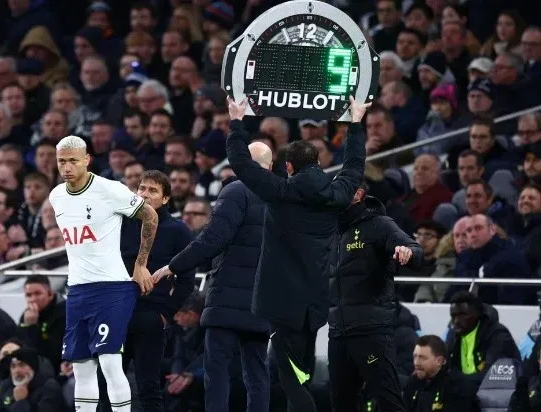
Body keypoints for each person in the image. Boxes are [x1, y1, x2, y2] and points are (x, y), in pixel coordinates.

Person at [225, 96, 371, 412]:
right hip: (316, 303)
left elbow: (239, 161)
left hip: (282, 305)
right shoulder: (337, 193)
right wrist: (355, 123)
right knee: (302, 376)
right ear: (318, 163)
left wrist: (237, 121)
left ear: (288, 167)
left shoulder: (280, 191)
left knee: (293, 384)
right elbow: (354, 164)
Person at [153, 142, 273, 412]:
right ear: (271, 167)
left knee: (216, 371)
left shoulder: (236, 190)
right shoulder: (280, 196)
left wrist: (174, 266)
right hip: (262, 300)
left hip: (226, 301)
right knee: (257, 372)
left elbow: (212, 239)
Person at [48, 135, 159, 412]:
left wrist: (141, 264)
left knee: (110, 362)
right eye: (62, 161)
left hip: (112, 288)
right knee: (81, 366)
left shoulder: (110, 190)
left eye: (73, 160)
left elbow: (150, 216)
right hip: (77, 290)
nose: (67, 167)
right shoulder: (56, 196)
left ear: (87, 160)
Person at [328, 183, 424, 412]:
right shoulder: (330, 229)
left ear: (358, 195)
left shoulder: (379, 224)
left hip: (371, 331)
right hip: (339, 333)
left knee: (389, 402)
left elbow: (415, 250)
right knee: (341, 405)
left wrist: (408, 253)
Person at [116, 170, 194, 412]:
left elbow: (187, 280)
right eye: (141, 188)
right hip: (117, 314)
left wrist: (165, 314)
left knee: (147, 386)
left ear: (166, 198)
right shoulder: (122, 223)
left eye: (153, 190)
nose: (145, 194)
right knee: (106, 381)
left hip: (150, 315)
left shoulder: (177, 230)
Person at [404, 335, 477, 412]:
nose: (416, 363)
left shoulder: (458, 385)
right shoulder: (414, 382)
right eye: (415, 357)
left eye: (422, 358)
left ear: (439, 361)